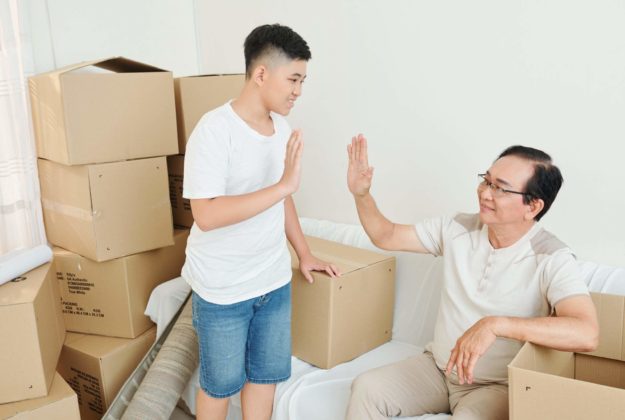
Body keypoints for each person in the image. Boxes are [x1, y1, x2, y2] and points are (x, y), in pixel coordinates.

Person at [345, 134, 599, 420]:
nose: (485, 193)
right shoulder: (457, 228)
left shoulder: (552, 257)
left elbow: (586, 333)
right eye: (486, 181)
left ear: (533, 206)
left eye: (501, 189)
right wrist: (362, 195)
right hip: (439, 370)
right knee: (367, 388)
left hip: (495, 387)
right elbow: (386, 235)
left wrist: (496, 325)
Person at [182, 24, 339, 420]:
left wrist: (303, 253)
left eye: (303, 81)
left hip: (271, 282)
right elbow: (207, 214)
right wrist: (283, 184)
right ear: (261, 74)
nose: (298, 91)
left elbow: (283, 200)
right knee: (219, 388)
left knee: (265, 380)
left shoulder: (279, 128)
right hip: (222, 289)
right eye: (294, 79)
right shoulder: (214, 131)